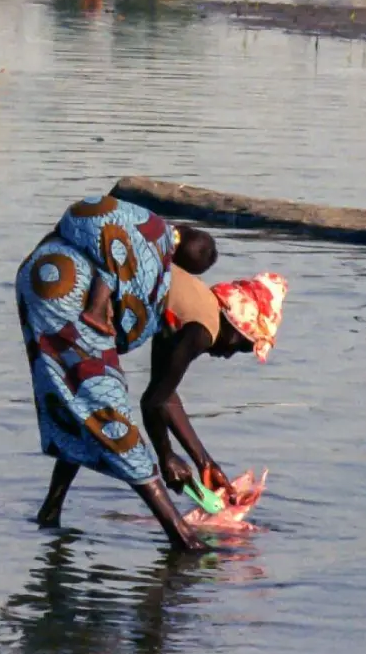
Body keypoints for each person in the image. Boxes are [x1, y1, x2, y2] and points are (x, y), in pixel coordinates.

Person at [17, 192, 217, 551]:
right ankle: (183, 538)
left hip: (42, 273)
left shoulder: (148, 231)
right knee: (108, 411)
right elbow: (156, 397)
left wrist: (195, 458)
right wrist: (165, 456)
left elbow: (159, 395)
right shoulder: (191, 311)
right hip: (67, 296)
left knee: (76, 399)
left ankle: (51, 510)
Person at [141, 271, 287, 511]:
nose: (229, 354)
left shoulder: (197, 304)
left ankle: (53, 515)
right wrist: (166, 455)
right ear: (234, 327)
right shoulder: (202, 330)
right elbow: (152, 401)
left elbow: (163, 392)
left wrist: (204, 462)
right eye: (240, 346)